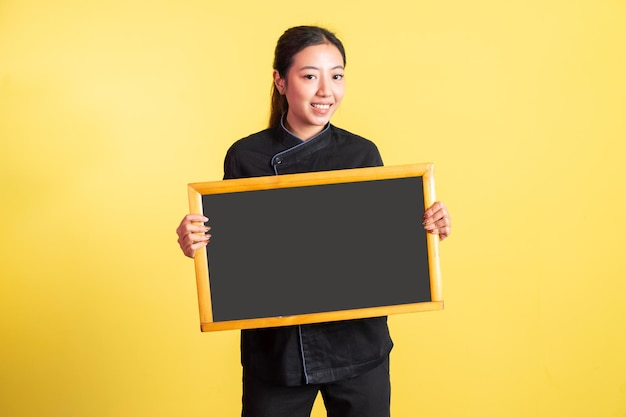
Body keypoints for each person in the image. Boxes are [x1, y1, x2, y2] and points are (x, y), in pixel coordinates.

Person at [176, 25, 451, 417]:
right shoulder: (246, 156)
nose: (326, 91)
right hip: (277, 355)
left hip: (359, 348)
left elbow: (378, 247)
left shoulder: (362, 154)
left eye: (336, 76)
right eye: (310, 76)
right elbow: (233, 253)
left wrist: (426, 228)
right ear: (280, 81)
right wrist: (197, 244)